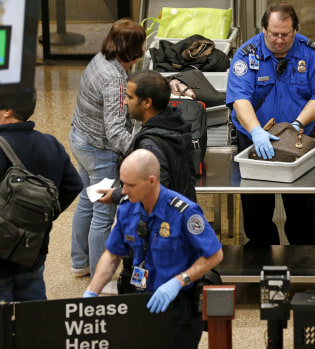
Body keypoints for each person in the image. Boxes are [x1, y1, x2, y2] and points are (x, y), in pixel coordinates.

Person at [83, 149, 223, 349]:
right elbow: (113, 254)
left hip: (177, 306)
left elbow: (214, 254)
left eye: (130, 185)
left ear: (151, 181)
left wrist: (178, 281)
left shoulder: (184, 212)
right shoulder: (127, 208)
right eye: (122, 183)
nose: (123, 190)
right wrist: (91, 292)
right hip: (137, 301)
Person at [226, 2, 315, 245]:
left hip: (297, 136)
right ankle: (262, 251)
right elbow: (240, 100)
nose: (280, 40)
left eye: (285, 34)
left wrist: (296, 124)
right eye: (274, 34)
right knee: (257, 205)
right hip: (256, 138)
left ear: (295, 30)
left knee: (301, 202)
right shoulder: (246, 55)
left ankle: (304, 251)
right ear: (263, 29)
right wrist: (255, 131)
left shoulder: (310, 53)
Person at [69, 18, 146, 278]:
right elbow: (114, 131)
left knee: (87, 200)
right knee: (103, 212)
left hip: (81, 138)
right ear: (134, 48)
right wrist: (139, 151)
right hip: (98, 151)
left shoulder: (101, 59)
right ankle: (99, 276)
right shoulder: (115, 79)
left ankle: (80, 263)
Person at [0, 93, 83, 302]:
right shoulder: (51, 144)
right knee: (34, 322)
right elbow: (74, 185)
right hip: (32, 250)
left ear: (8, 111)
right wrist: (41, 217)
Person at [98, 70, 197, 205]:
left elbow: (155, 195)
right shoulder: (176, 125)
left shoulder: (150, 146)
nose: (125, 102)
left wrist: (117, 195)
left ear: (147, 102)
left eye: (129, 97)